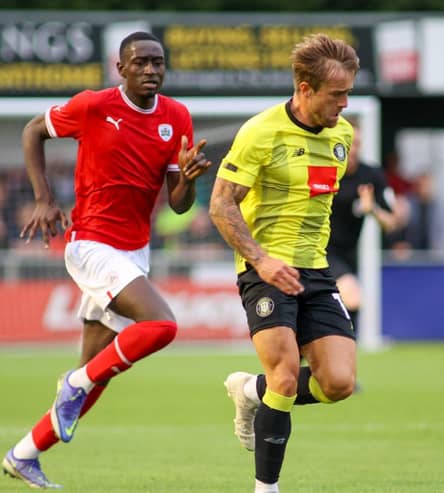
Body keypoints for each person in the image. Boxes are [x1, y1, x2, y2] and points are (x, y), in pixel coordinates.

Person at [2, 31, 211, 489]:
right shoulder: (94, 106)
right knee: (162, 326)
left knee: (100, 374)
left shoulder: (177, 117)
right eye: (141, 62)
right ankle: (73, 382)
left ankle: (23, 454)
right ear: (121, 68)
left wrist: (190, 178)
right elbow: (32, 129)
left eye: (158, 62)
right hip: (91, 244)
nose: (151, 70)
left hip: (134, 250)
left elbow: (177, 203)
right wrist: (42, 198)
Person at [208, 33, 359, 493]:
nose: (345, 104)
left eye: (349, 93)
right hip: (264, 271)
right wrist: (261, 260)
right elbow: (220, 205)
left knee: (339, 383)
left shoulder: (343, 137)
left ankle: (248, 391)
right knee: (286, 377)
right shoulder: (261, 132)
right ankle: (266, 488)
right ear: (305, 87)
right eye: (337, 94)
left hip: (316, 271)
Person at [327, 121, 399, 332]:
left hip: (349, 254)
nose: (353, 149)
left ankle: (328, 359)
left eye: (357, 143)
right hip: (320, 250)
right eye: (348, 143)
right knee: (353, 297)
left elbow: (391, 223)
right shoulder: (325, 172)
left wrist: (372, 210)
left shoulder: (371, 176)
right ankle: (345, 356)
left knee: (328, 312)